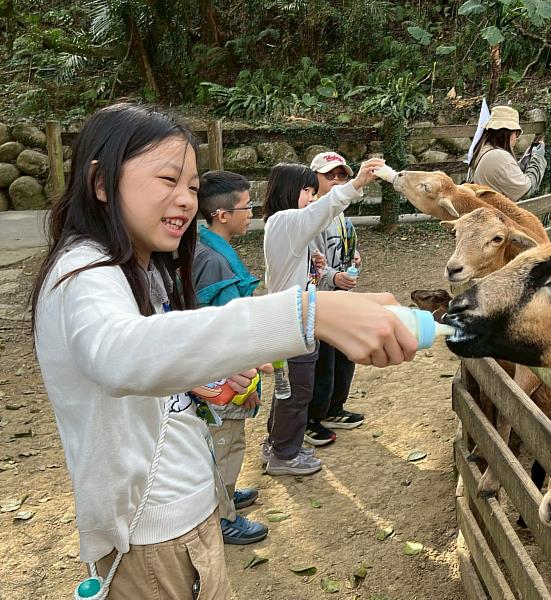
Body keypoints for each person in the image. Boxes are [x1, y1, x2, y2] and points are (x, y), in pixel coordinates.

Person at [30, 104, 416, 598]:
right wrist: (308, 312)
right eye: (167, 179)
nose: (185, 200)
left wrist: (197, 379)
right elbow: (119, 353)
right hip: (151, 536)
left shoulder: (141, 268)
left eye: (191, 186)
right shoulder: (85, 271)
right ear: (101, 183)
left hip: (184, 514)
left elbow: (143, 357)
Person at [261, 158, 385, 476]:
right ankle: (284, 455)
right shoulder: (286, 221)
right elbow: (324, 210)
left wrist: (312, 267)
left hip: (293, 319)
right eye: (307, 190)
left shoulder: (283, 225)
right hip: (293, 323)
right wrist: (356, 183)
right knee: (298, 390)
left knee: (288, 389)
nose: (312, 198)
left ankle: (276, 443)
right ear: (290, 191)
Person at [193, 169, 269, 545]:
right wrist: (242, 382)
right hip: (223, 378)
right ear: (222, 215)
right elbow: (220, 332)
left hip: (225, 372)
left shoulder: (208, 248)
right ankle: (221, 516)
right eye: (246, 206)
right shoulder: (213, 261)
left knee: (228, 442)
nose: (251, 212)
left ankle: (225, 492)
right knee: (224, 442)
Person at [305, 152, 363, 447]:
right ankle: (311, 418)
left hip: (341, 297)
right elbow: (310, 263)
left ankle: (334, 408)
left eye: (342, 175)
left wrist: (352, 259)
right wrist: (333, 277)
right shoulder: (311, 216)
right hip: (320, 299)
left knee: (345, 354)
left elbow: (345, 249)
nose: (337, 180)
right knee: (321, 361)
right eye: (330, 176)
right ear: (314, 179)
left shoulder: (341, 215)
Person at [468, 105, 547, 202]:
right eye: (516, 133)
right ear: (507, 133)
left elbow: (505, 175)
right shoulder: (499, 156)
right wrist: (538, 157)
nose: (517, 138)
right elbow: (526, 190)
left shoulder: (485, 149)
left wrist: (524, 161)